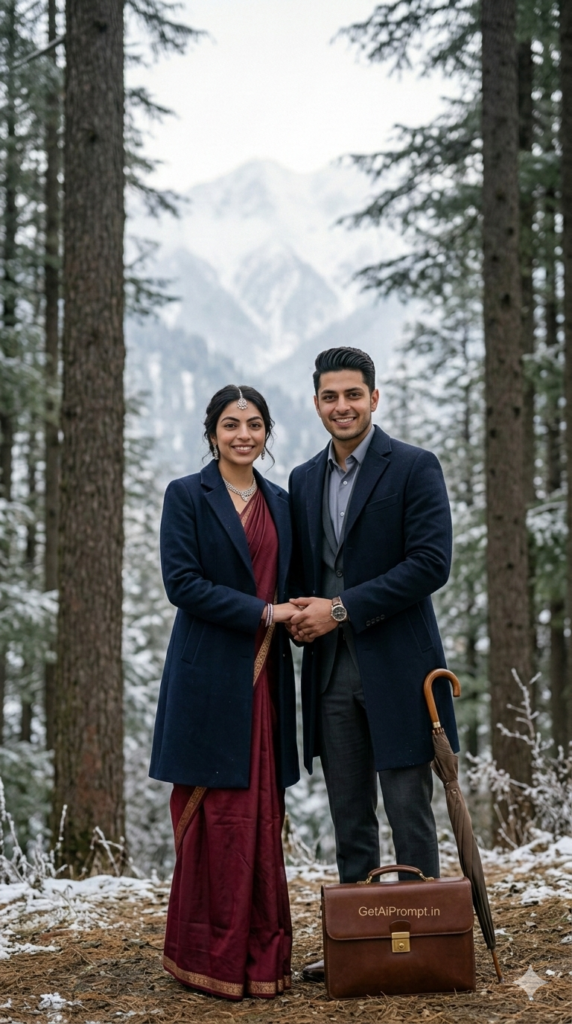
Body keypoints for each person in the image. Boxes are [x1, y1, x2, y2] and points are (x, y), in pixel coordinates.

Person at [288, 347, 459, 980]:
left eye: (353, 395)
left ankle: (427, 945)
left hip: (398, 668)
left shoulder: (414, 467)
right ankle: (358, 948)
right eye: (330, 397)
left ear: (374, 398)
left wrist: (339, 609)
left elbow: (429, 565)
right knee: (349, 817)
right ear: (317, 404)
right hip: (329, 674)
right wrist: (295, 613)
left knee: (409, 812)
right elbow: (305, 570)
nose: (342, 407)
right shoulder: (303, 479)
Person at [150, 384, 299, 1001]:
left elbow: (300, 583)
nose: (244, 434)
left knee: (259, 817)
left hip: (266, 681)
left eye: (255, 424)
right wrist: (265, 614)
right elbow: (181, 583)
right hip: (207, 677)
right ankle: (203, 953)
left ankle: (262, 959)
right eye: (232, 424)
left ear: (267, 434)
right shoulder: (187, 495)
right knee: (215, 818)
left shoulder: (283, 504)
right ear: (211, 432)